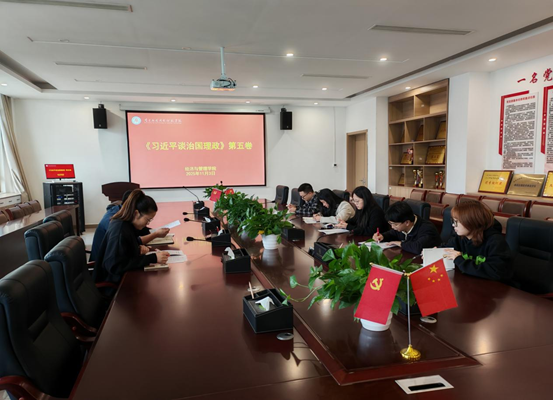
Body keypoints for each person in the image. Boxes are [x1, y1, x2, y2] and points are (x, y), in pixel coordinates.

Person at [93, 190, 170, 287]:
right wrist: (152, 258)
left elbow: (127, 245)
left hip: (123, 277)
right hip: (115, 286)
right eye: (148, 220)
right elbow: (115, 266)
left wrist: (137, 247)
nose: (148, 223)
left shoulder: (126, 224)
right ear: (136, 213)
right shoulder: (120, 230)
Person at [442, 201, 514, 282]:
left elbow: (496, 272)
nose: (453, 225)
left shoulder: (495, 241)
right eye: (453, 221)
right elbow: (447, 249)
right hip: (470, 282)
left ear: (470, 222)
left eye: (456, 222)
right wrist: (436, 251)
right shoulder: (460, 237)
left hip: (493, 286)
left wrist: (460, 260)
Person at [372, 201, 440, 254]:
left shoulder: (427, 229)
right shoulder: (402, 224)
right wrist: (382, 236)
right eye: (390, 224)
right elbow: (392, 233)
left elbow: (417, 248)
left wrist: (400, 243)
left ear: (407, 222)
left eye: (395, 224)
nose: (392, 227)